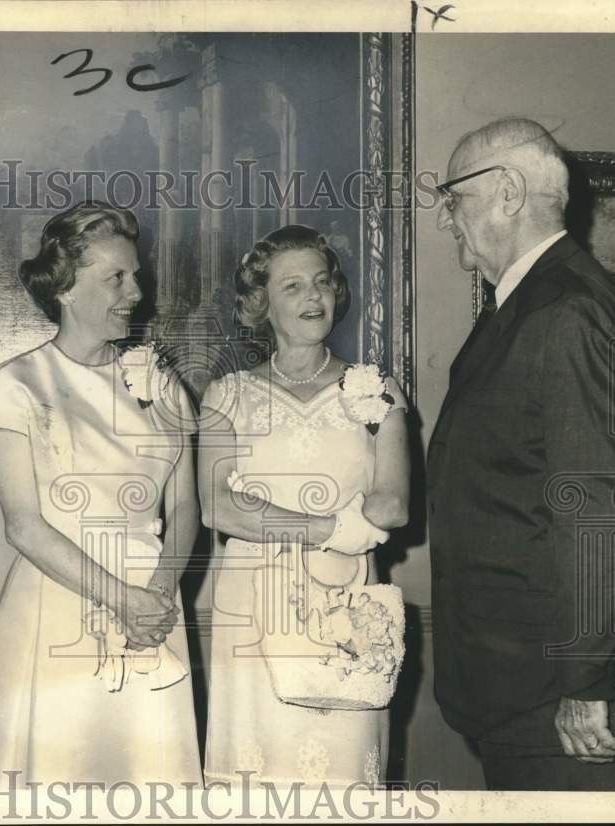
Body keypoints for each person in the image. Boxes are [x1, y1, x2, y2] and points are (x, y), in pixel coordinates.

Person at [430, 118, 615, 790]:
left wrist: (585, 680)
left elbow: (602, 507)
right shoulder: (529, 304)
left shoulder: (563, 311)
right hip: (524, 685)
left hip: (561, 702)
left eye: (454, 200)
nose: (448, 222)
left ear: (506, 191)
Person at [0, 202, 201, 787]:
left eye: (137, 276)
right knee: (59, 774)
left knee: (148, 778)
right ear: (67, 288)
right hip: (58, 608)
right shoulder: (16, 384)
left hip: (153, 606)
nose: (136, 292)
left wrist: (157, 592)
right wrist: (123, 599)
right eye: (116, 278)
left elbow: (183, 506)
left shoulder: (162, 383)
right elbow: (23, 526)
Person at [199, 225, 410, 787]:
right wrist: (335, 525)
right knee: (257, 780)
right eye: (292, 286)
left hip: (345, 602)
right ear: (260, 302)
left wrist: (312, 528)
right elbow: (218, 509)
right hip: (251, 605)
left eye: (321, 282)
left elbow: (392, 506)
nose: (313, 297)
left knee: (341, 776)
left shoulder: (375, 389)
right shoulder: (227, 395)